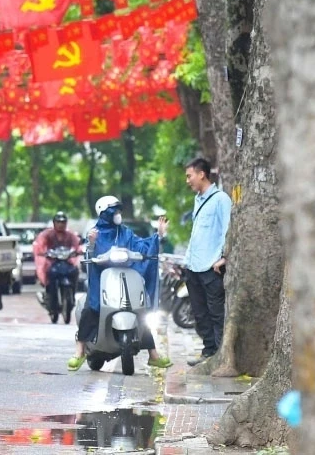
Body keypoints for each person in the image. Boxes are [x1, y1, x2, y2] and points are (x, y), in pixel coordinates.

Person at [68, 196, 173, 372]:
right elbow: (88, 251)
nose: (117, 214)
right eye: (114, 211)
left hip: (125, 277)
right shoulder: (95, 232)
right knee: (92, 307)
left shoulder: (125, 232)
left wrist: (158, 236)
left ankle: (153, 355)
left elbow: (141, 245)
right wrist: (91, 244)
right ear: (105, 213)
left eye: (118, 211)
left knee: (141, 311)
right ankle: (79, 351)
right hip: (102, 278)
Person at [183, 158, 232, 367]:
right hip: (193, 265)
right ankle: (208, 351)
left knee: (216, 312)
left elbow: (228, 230)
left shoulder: (221, 199)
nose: (188, 181)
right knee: (199, 312)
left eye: (189, 175)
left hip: (211, 266)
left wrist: (223, 257)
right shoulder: (198, 199)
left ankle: (220, 354)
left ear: (201, 174)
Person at [33, 212, 83, 311]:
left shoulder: (70, 235)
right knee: (50, 274)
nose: (61, 224)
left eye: (63, 222)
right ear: (54, 223)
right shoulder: (47, 234)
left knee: (74, 271)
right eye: (58, 222)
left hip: (67, 262)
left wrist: (77, 251)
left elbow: (76, 245)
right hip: (52, 263)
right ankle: (49, 296)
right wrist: (44, 252)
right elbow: (40, 245)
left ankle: (72, 295)